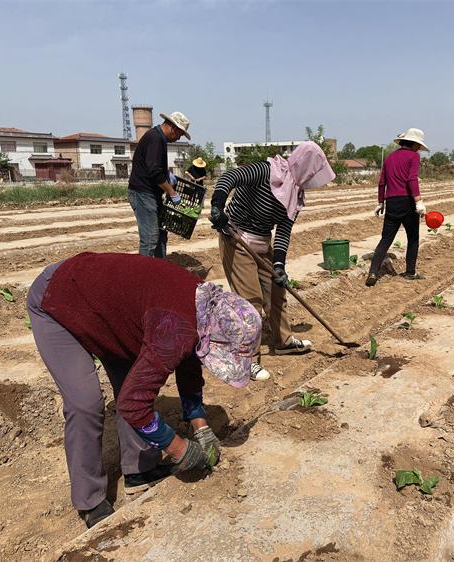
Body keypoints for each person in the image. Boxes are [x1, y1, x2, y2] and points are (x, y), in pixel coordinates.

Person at [26, 252, 261, 529]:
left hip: (108, 311)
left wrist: (200, 425)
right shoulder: (175, 327)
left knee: (133, 381)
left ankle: (140, 471)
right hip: (59, 299)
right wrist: (178, 448)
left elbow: (189, 360)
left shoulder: (203, 309)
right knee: (86, 403)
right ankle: (90, 500)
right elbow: (133, 405)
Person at [209, 141, 335, 381]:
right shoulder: (267, 171)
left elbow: (284, 232)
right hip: (236, 238)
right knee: (251, 300)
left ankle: (283, 341)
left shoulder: (294, 193)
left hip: (261, 242)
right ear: (305, 165)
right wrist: (217, 205)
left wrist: (279, 265)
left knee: (277, 293)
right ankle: (246, 359)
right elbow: (230, 177)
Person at [365, 128, 429, 287]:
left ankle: (373, 272)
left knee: (386, 239)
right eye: (418, 145)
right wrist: (418, 201)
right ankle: (410, 272)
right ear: (413, 143)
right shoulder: (414, 156)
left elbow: (382, 182)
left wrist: (381, 202)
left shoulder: (389, 157)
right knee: (413, 238)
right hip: (407, 201)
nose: (419, 148)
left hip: (392, 202)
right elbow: (412, 179)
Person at [128, 111, 192, 258]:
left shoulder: (159, 138)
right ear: (174, 128)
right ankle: (143, 270)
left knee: (161, 233)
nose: (178, 138)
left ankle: (160, 267)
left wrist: (167, 174)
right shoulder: (155, 138)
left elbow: (154, 165)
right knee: (150, 238)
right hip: (142, 193)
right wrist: (172, 192)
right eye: (180, 134)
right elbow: (154, 171)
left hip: (151, 193)